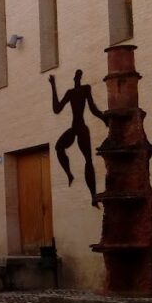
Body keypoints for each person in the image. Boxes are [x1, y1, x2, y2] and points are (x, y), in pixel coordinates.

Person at [50, 70, 107, 206]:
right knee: (58, 147)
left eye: (78, 75)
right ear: (74, 78)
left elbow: (92, 108)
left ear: (80, 78)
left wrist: (104, 118)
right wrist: (53, 85)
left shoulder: (85, 89)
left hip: (81, 128)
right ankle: (69, 174)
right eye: (76, 75)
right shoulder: (70, 93)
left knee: (88, 160)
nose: (77, 77)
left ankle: (93, 196)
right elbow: (57, 109)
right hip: (74, 128)